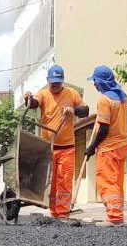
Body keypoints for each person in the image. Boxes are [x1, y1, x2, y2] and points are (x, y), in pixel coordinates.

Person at [22, 65, 89, 220]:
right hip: (49, 148)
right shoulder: (43, 94)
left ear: (62, 81)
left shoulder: (71, 94)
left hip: (67, 147)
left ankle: (63, 213)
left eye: (58, 83)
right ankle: (54, 213)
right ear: (48, 81)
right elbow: (34, 103)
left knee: (65, 182)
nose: (55, 86)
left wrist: (73, 110)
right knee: (50, 181)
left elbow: (85, 110)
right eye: (53, 83)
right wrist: (29, 99)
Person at [85, 66, 127, 225]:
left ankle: (114, 217)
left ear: (101, 82)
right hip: (122, 145)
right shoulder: (122, 97)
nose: (94, 85)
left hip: (108, 148)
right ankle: (118, 215)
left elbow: (103, 128)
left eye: (95, 81)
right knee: (117, 182)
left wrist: (91, 147)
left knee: (106, 182)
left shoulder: (104, 100)